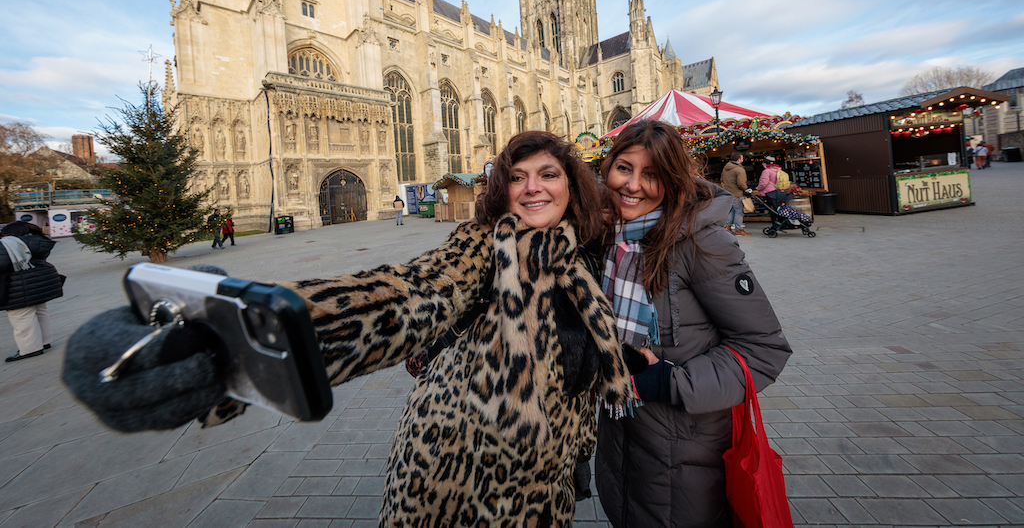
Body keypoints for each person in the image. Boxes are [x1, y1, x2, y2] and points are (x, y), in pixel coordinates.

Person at [63, 131, 636, 526]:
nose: (533, 187)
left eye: (547, 174)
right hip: (457, 468)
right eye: (517, 177)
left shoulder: (589, 250)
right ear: (502, 191)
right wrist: (238, 335)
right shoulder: (482, 248)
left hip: (546, 484)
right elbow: (410, 293)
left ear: (572, 184)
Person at [593, 120, 792, 528]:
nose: (632, 185)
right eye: (624, 169)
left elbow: (764, 350)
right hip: (622, 437)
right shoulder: (607, 237)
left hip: (687, 446)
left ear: (672, 180)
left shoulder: (703, 243)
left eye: (651, 175)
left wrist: (668, 382)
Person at [1, 221, 63, 362]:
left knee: (21, 316)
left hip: (20, 285)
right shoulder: (37, 241)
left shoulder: (8, 243)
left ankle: (30, 348)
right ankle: (44, 340)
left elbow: (2, 263)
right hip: (41, 280)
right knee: (40, 310)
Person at [719, 151, 751, 236]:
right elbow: (741, 183)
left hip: (729, 193)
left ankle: (727, 227)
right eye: (742, 158)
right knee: (739, 212)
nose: (743, 159)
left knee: (732, 211)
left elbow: (722, 180)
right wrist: (746, 189)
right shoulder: (740, 169)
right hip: (737, 193)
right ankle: (738, 229)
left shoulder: (725, 168)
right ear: (739, 159)